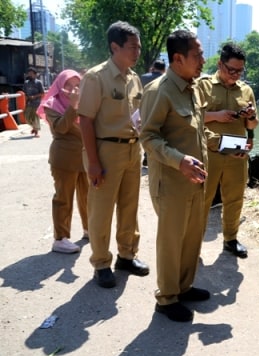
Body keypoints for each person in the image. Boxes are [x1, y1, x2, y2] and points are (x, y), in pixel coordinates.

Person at [140, 30, 213, 322]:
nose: (203, 60)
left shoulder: (192, 89)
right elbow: (147, 137)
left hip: (195, 181)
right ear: (178, 58)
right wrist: (179, 160)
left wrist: (225, 146)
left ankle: (183, 287)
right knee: (171, 241)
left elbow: (197, 132)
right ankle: (167, 298)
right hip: (171, 182)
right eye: (197, 55)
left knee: (191, 238)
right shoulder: (159, 91)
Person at [77, 21, 148, 288]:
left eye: (139, 47)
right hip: (105, 150)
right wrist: (93, 162)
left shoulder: (134, 78)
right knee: (101, 210)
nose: (137, 52)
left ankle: (127, 255)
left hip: (132, 149)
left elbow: (137, 116)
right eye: (132, 47)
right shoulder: (96, 77)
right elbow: (85, 120)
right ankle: (101, 262)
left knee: (129, 208)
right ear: (114, 47)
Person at [199, 43, 258, 259]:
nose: (235, 75)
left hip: (236, 153)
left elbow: (252, 125)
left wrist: (250, 116)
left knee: (234, 198)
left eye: (239, 71)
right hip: (210, 153)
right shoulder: (203, 85)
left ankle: (230, 239)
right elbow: (190, 118)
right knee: (202, 199)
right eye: (230, 69)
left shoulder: (246, 90)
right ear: (220, 64)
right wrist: (217, 115)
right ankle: (194, 242)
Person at [37, 69, 88, 254]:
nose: (74, 89)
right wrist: (73, 107)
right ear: (60, 85)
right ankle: (60, 238)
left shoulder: (85, 102)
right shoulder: (52, 104)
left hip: (85, 156)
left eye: (77, 85)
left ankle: (88, 229)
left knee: (87, 196)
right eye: (69, 85)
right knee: (63, 198)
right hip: (64, 158)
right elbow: (60, 128)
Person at [140, 59, 166, 167]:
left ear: (153, 67)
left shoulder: (143, 77)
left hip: (145, 109)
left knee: (147, 132)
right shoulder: (166, 79)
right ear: (164, 69)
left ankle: (147, 154)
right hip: (161, 110)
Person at [23, 67, 45, 137]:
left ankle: (36, 132)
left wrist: (34, 96)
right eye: (29, 74)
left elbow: (42, 93)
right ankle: (34, 127)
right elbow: (25, 92)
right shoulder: (26, 83)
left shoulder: (38, 82)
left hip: (36, 102)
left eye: (31, 74)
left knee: (35, 117)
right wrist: (27, 98)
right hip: (29, 102)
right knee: (27, 117)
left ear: (35, 75)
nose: (30, 75)